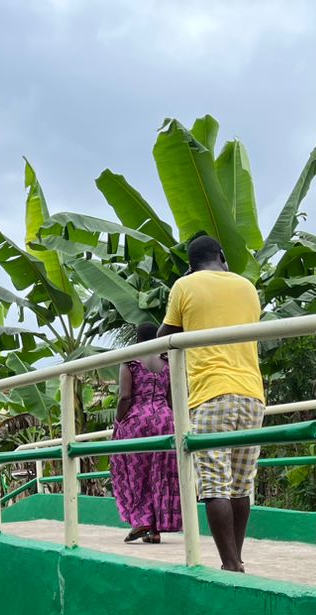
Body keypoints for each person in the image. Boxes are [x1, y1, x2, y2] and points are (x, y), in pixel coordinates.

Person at [157, 235, 265, 572]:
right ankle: (237, 558)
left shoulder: (185, 286)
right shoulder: (247, 287)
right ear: (221, 255)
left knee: (215, 483)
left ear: (191, 264)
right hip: (252, 393)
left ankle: (230, 564)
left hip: (210, 392)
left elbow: (164, 338)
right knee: (241, 483)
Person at [111, 322, 182, 543]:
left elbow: (125, 397)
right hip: (164, 419)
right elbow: (171, 398)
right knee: (159, 475)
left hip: (137, 421)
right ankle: (155, 529)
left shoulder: (131, 361)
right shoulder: (167, 363)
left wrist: (119, 419)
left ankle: (141, 521)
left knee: (135, 474)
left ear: (137, 337)